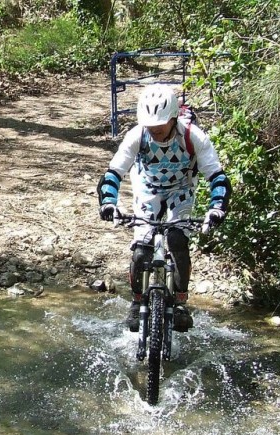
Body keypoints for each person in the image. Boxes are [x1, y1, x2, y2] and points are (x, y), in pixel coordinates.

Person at [97, 83, 231, 332]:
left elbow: (217, 177)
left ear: (173, 118)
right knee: (141, 251)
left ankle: (180, 303)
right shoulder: (137, 135)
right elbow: (113, 172)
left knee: (177, 239)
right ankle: (136, 304)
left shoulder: (194, 137)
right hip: (147, 189)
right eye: (151, 127)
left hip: (182, 189)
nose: (155, 132)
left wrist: (217, 207)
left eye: (159, 127)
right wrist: (108, 202)